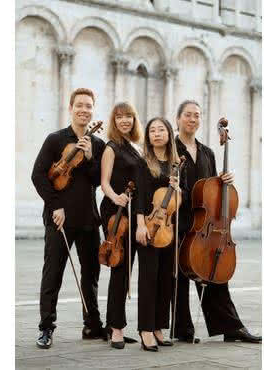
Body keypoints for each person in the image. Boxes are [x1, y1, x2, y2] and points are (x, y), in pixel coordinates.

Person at [173, 100, 262, 344]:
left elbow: (211, 189)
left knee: (213, 273)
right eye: (188, 115)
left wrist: (225, 180)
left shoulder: (207, 153)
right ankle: (182, 329)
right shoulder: (170, 148)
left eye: (197, 116)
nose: (193, 119)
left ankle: (231, 327)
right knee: (178, 278)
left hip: (205, 225)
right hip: (179, 219)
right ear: (178, 118)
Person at [31, 88, 106, 349]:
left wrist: (87, 158)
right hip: (59, 218)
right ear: (71, 108)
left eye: (89, 106)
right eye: (80, 105)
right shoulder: (55, 140)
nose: (84, 110)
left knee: (91, 275)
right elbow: (39, 175)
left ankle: (92, 325)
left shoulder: (98, 145)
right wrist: (55, 206)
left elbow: (99, 180)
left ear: (93, 110)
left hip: (88, 218)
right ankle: (46, 328)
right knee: (53, 273)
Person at [99, 102, 144, 349]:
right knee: (119, 269)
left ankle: (113, 323)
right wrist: (115, 196)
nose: (124, 120)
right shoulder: (111, 147)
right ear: (114, 121)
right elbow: (104, 182)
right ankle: (116, 328)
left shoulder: (135, 147)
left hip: (133, 211)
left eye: (128, 116)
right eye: (119, 117)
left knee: (126, 269)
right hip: (116, 211)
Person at [135, 117, 181, 351]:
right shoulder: (144, 163)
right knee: (148, 278)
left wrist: (177, 188)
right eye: (152, 130)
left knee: (165, 278)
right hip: (149, 226)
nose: (156, 133)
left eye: (161, 129)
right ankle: (145, 329)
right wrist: (141, 225)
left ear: (169, 133)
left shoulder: (174, 164)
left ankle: (158, 327)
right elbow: (141, 197)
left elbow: (175, 201)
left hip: (168, 228)